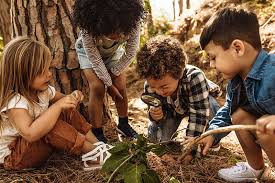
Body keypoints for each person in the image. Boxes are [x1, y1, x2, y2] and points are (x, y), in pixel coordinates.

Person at [0, 37, 112, 171]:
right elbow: (30, 134)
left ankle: (98, 146)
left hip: (32, 149)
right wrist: (57, 106)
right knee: (52, 125)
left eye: (48, 68)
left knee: (65, 110)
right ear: (23, 74)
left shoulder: (43, 91)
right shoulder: (15, 103)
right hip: (15, 157)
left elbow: (65, 101)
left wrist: (73, 97)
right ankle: (93, 154)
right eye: (42, 72)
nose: (49, 74)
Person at [199, 7, 275, 182]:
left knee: (266, 128)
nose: (211, 65)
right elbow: (227, 110)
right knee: (239, 115)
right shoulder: (236, 82)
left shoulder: (272, 70)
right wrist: (213, 132)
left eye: (213, 57)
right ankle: (256, 169)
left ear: (237, 48)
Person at [136, 35, 221, 159]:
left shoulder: (195, 78)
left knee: (211, 106)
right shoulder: (151, 85)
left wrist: (190, 150)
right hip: (172, 111)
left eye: (164, 87)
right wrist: (155, 116)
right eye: (154, 87)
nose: (158, 92)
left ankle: (213, 140)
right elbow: (154, 116)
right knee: (157, 142)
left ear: (180, 73)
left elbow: (199, 114)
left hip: (198, 104)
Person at [73, 0, 145, 143]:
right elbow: (94, 58)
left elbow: (130, 52)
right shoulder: (88, 29)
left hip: (113, 53)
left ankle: (124, 124)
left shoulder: (133, 22)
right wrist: (108, 84)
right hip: (89, 55)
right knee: (98, 87)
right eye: (111, 30)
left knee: (120, 86)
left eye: (119, 30)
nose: (116, 34)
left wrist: (113, 78)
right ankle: (97, 131)